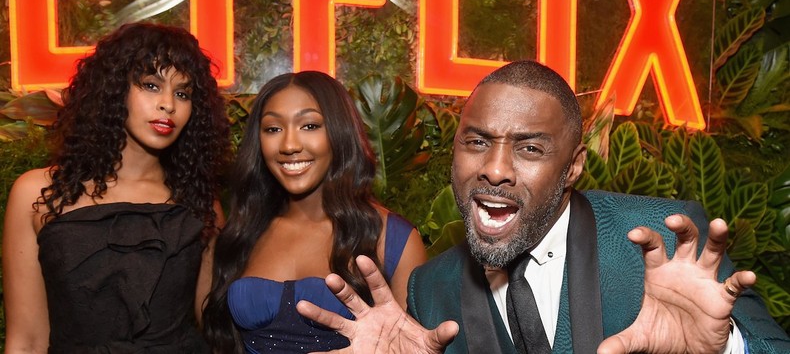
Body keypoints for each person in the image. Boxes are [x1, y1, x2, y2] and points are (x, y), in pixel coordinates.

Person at [297, 60, 790, 353]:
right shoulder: (430, 288)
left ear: (573, 167)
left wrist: (725, 347)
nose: (494, 168)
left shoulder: (661, 239)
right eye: (476, 141)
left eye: (530, 148)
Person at [2, 22, 231, 353]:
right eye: (151, 85)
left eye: (182, 93)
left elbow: (217, 334)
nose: (169, 103)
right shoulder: (37, 193)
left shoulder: (199, 202)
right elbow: (26, 342)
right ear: (112, 90)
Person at [201, 71, 427, 353]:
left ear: (339, 132)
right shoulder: (240, 232)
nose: (289, 145)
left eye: (309, 126)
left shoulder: (393, 239)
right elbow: (213, 339)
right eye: (273, 129)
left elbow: (411, 346)